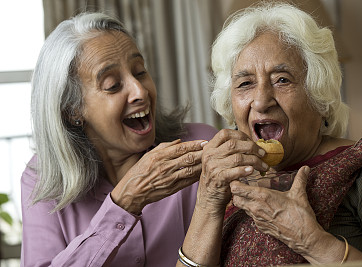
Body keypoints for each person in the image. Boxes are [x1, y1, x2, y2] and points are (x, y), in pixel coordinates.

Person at [177, 2, 362, 266]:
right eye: (245, 83)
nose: (261, 101)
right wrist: (208, 201)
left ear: (319, 95)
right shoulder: (228, 183)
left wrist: (310, 240)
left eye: (282, 79)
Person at [20, 12, 218, 266]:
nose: (140, 91)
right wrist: (125, 203)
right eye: (113, 85)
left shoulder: (200, 145)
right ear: (73, 110)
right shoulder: (42, 177)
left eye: (140, 72)